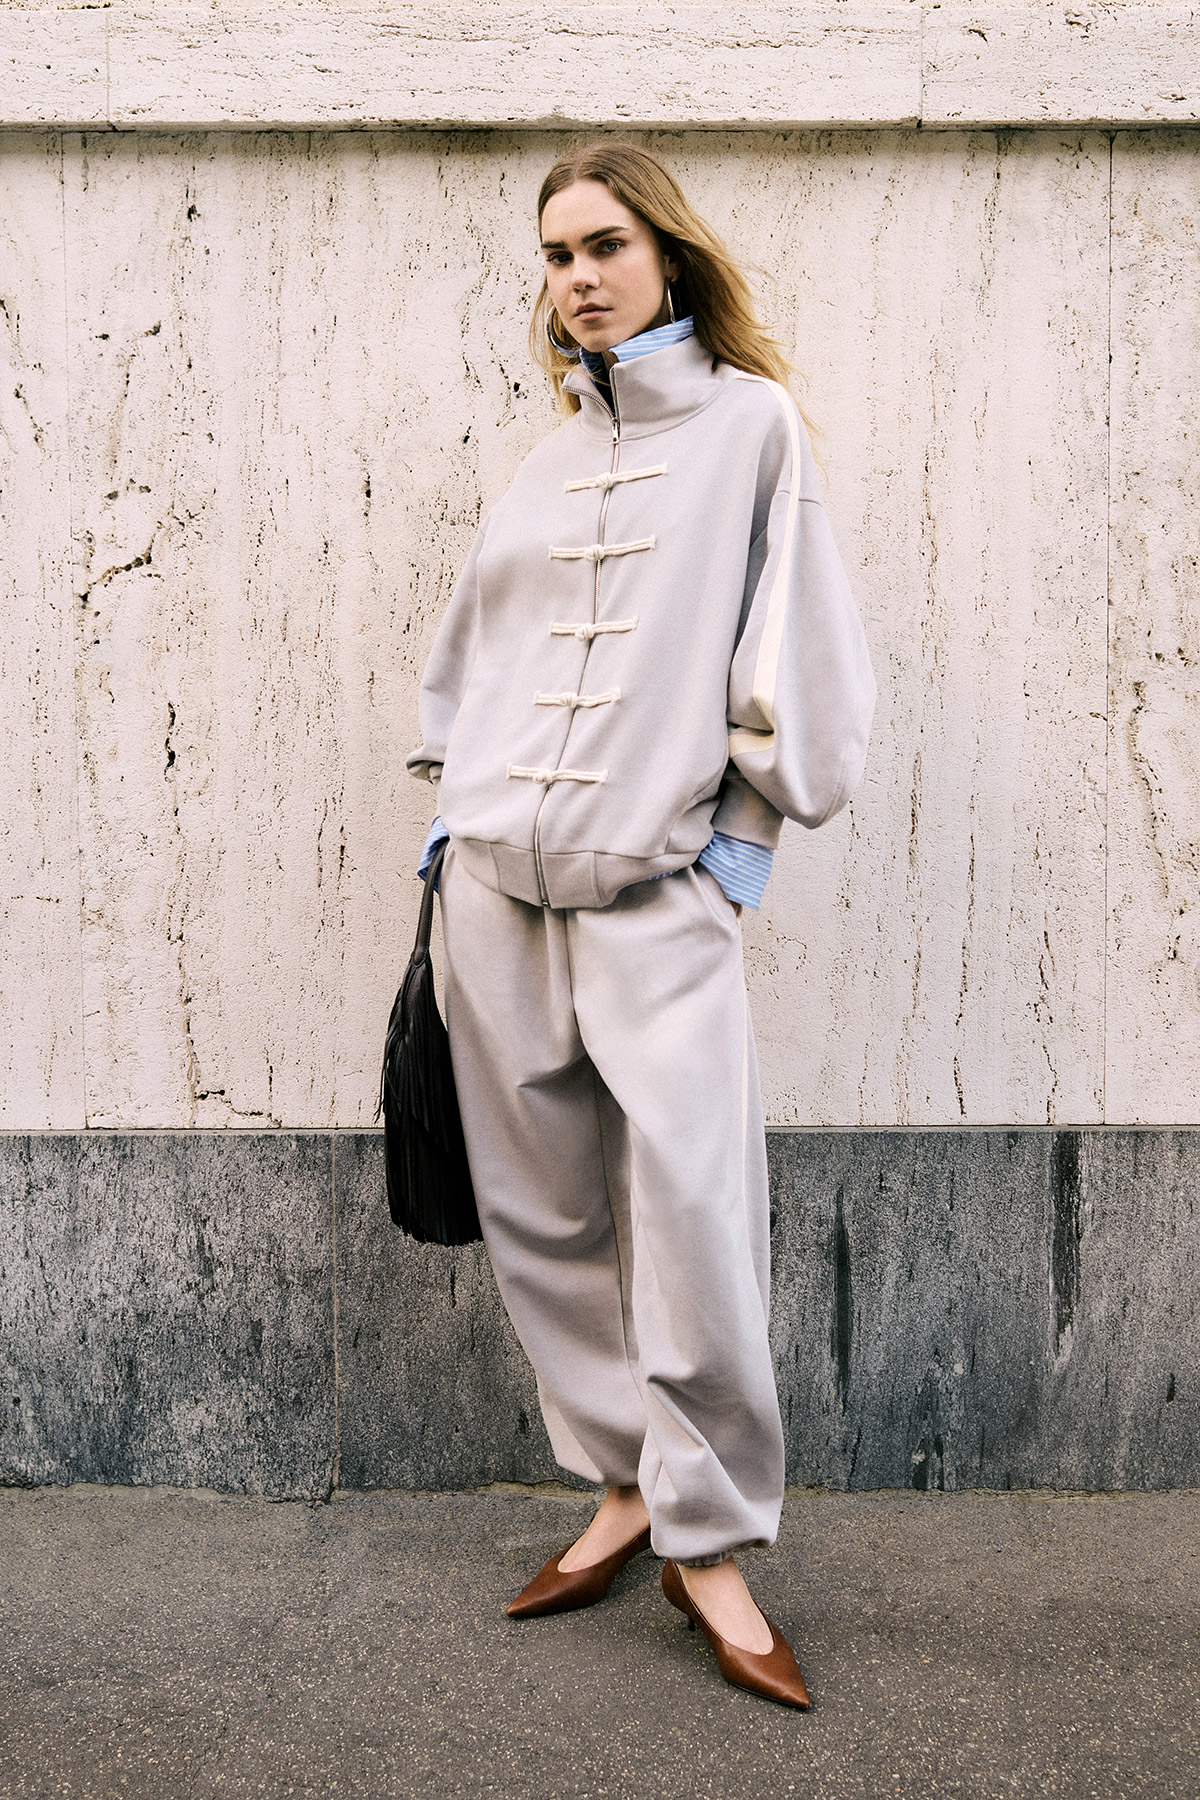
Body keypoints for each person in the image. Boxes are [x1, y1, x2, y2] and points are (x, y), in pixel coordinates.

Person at [406, 141, 876, 1709]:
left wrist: (734, 858)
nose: (579, 277)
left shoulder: (752, 432)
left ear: (667, 251)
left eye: (604, 243)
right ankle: (618, 1483)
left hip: (651, 897)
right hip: (495, 898)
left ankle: (711, 1538)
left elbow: (795, 656)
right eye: (554, 255)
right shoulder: (543, 463)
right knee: (545, 1219)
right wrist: (454, 820)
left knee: (689, 1220)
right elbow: (474, 658)